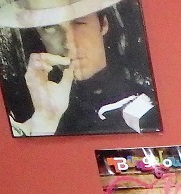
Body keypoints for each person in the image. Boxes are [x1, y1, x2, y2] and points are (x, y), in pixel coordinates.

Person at [3, 0, 159, 137]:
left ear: (103, 24)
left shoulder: (144, 103)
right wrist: (45, 119)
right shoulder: (18, 106)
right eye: (50, 27)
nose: (69, 43)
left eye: (79, 22)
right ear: (39, 35)